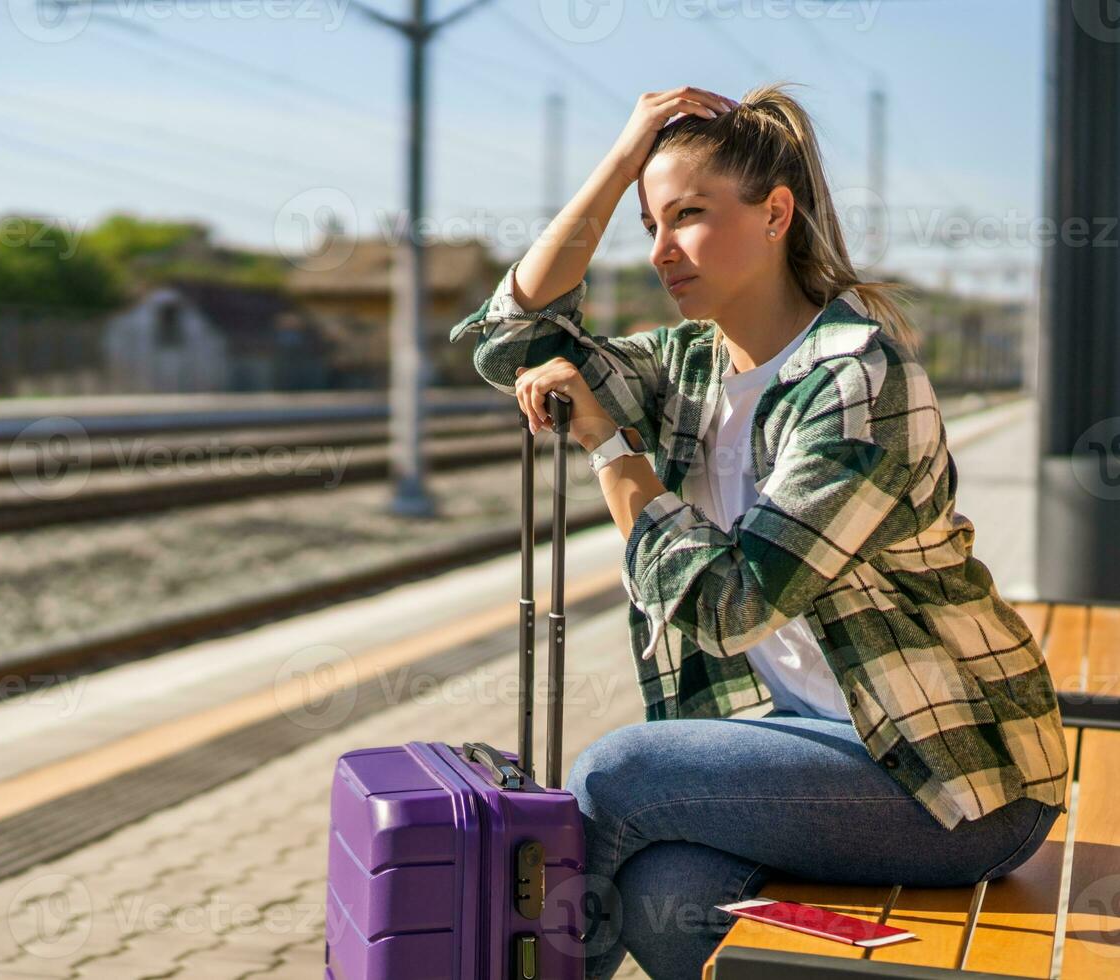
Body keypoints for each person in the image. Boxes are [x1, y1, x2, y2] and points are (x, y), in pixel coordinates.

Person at [448, 82, 1069, 980]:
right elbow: (510, 337)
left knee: (618, 776)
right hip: (812, 743)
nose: (662, 251)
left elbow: (730, 607)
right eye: (649, 223)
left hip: (951, 775)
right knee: (670, 896)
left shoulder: (857, 383)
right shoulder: (688, 367)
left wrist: (610, 448)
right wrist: (624, 157)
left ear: (776, 213)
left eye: (690, 216)